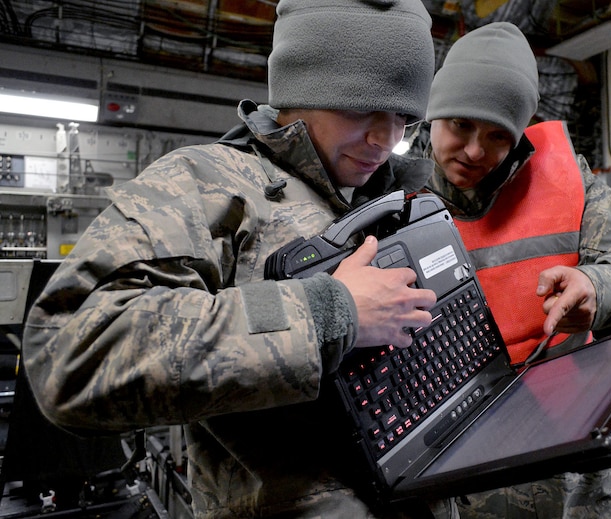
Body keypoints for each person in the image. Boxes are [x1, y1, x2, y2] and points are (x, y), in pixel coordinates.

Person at [21, 1, 456, 518]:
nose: (387, 140)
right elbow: (74, 354)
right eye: (363, 108)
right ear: (302, 87)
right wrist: (330, 312)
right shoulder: (206, 183)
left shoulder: (396, 197)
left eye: (404, 118)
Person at [412, 22, 611, 518]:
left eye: (498, 135)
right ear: (433, 112)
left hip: (573, 465)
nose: (475, 151)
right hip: (447, 467)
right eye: (460, 125)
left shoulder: (565, 181)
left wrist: (598, 286)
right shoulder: (387, 190)